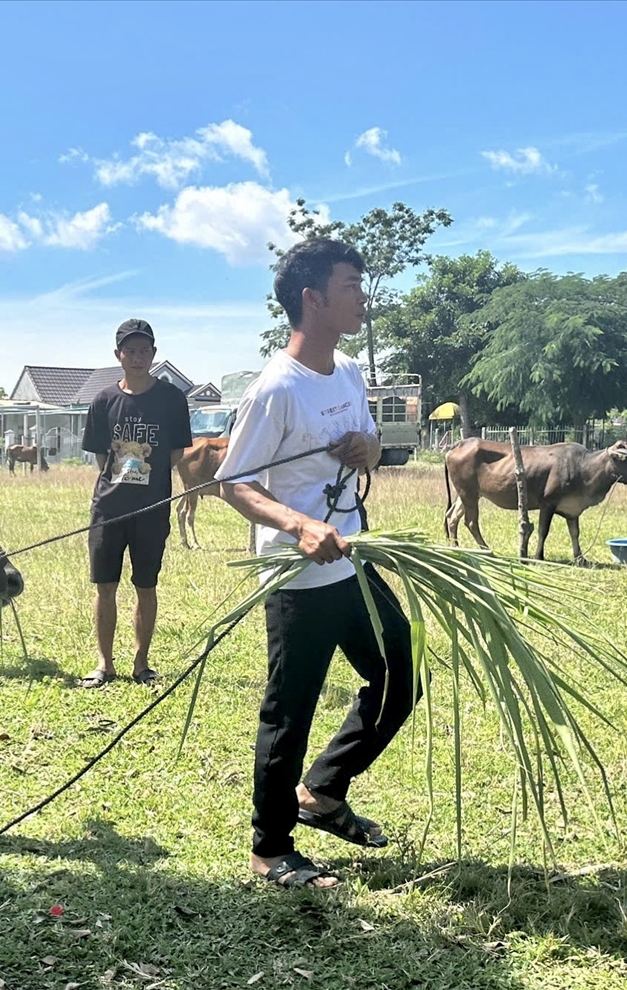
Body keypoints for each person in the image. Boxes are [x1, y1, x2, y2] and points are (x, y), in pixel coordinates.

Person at [216, 238, 416, 889]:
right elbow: (234, 482)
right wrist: (298, 525)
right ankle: (271, 848)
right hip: (298, 576)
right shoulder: (276, 389)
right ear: (313, 298)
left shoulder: (350, 373)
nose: (363, 296)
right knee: (290, 709)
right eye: (351, 285)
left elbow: (369, 449)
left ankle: (324, 791)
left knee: (399, 676)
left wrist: (370, 447)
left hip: (353, 561)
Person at [78, 319, 192, 689]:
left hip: (151, 509)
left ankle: (141, 663)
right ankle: (105, 664)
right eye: (130, 350)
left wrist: (146, 479)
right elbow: (100, 459)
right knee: (105, 586)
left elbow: (174, 453)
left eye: (145, 350)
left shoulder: (172, 399)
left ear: (154, 355)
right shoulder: (103, 400)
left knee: (146, 585)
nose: (138, 357)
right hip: (108, 509)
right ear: (118, 355)